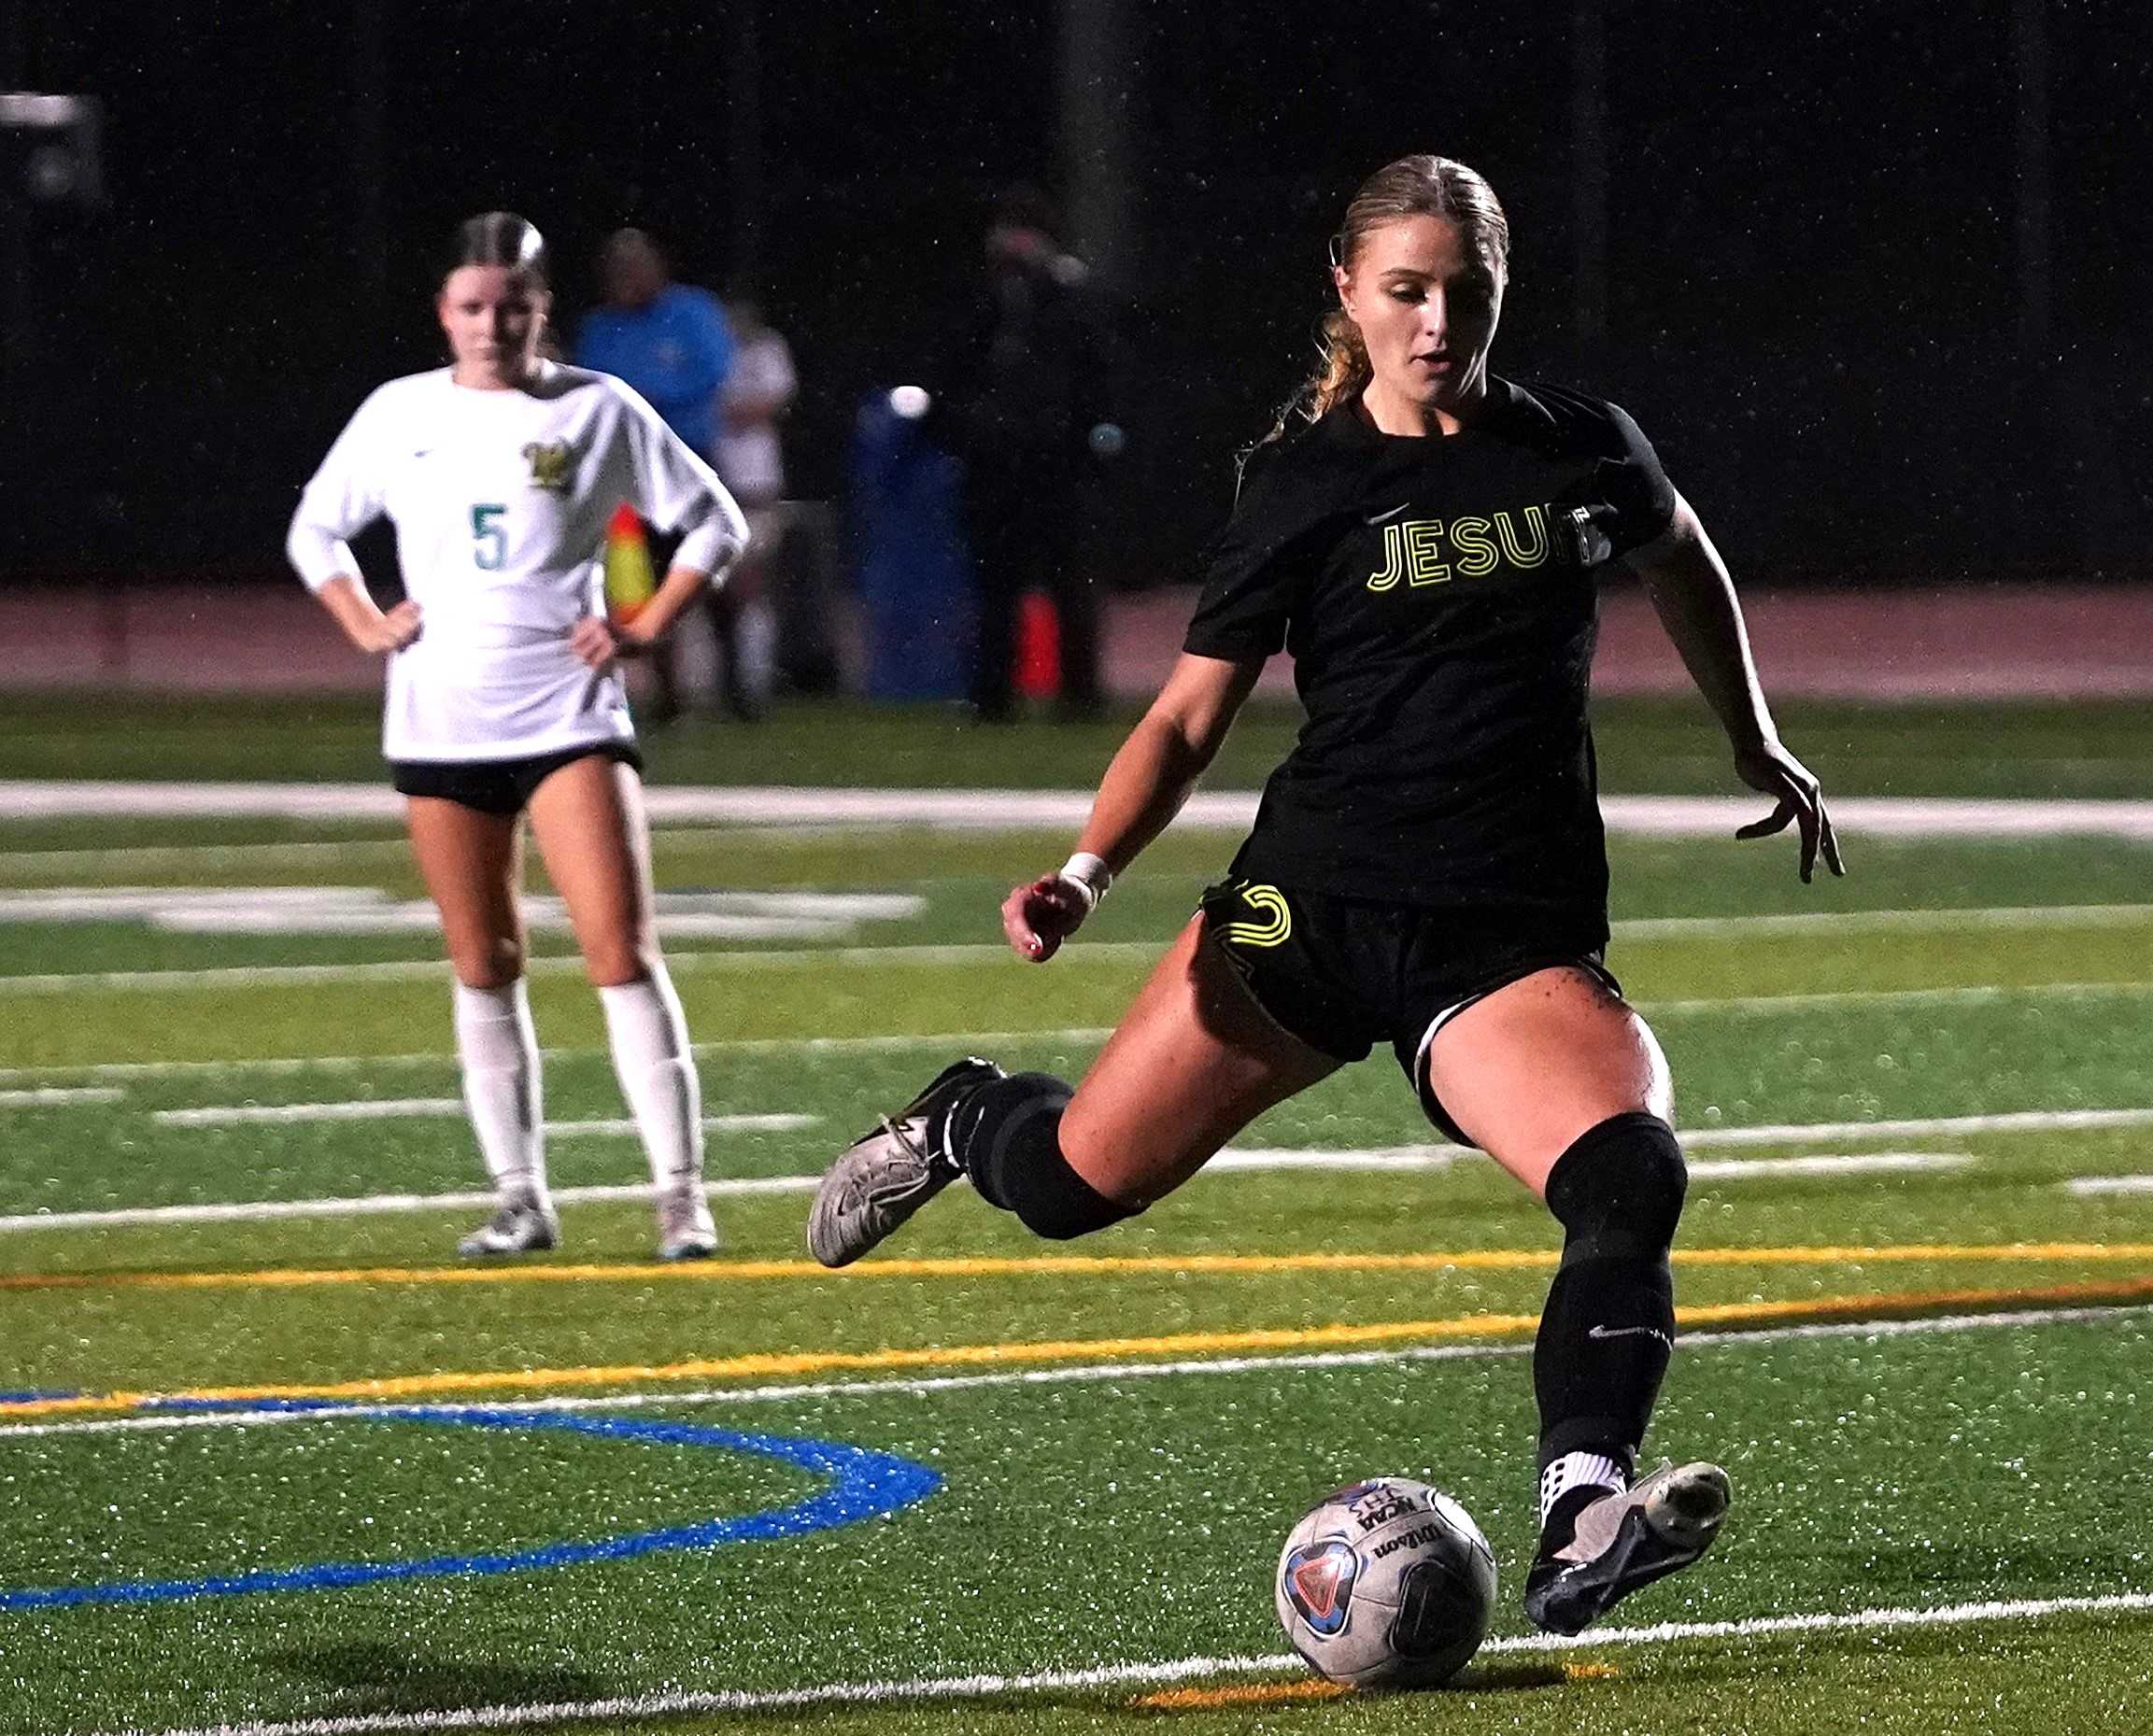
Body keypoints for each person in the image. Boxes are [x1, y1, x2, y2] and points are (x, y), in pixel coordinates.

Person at [808, 155, 1845, 1635]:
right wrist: (1087, 872)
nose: (1435, 322)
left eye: (1463, 293)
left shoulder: (1579, 450)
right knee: (1070, 1187)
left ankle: (1581, 1507)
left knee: (1629, 1177)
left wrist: (1754, 736)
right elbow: (1183, 716)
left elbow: (1684, 555)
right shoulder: (1304, 482)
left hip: (1502, 935)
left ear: (1498, 292)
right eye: (1406, 292)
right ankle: (966, 1115)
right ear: (1350, 295)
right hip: (1309, 917)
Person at [287, 211, 748, 1262]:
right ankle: (519, 1196)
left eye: (512, 305)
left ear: (542, 308)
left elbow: (715, 520)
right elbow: (315, 527)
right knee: (482, 959)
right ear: (444, 312)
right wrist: (366, 621)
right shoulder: (399, 412)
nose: (492, 324)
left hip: (568, 713)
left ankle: (679, 1193)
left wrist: (644, 623)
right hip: (441, 718)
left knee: (617, 950)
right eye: (471, 305)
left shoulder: (597, 407)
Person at [938, 187, 1118, 722]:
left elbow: (1097, 372)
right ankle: (992, 695)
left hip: (1056, 462)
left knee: (1070, 582)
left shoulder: (1069, 297)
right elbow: (955, 366)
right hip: (996, 463)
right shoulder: (986, 298)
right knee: (997, 584)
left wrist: (1091, 438)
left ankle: (1079, 695)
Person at [575, 229, 741, 723]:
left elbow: (712, 373)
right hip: (628, 474)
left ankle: (737, 688)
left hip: (694, 462)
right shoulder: (602, 326)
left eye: (636, 265)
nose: (627, 277)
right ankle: (668, 695)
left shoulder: (692, 312)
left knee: (714, 575)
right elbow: (590, 388)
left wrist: (642, 398)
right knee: (641, 584)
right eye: (617, 268)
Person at [712, 290, 799, 713]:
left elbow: (771, 401)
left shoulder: (766, 349)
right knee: (722, 594)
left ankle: (755, 682)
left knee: (752, 588)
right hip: (718, 483)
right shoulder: (711, 352)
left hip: (756, 485)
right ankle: (732, 683)